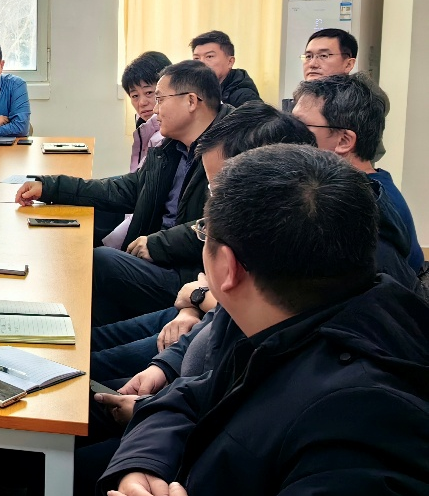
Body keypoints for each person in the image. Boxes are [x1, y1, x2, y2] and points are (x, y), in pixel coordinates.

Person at [0, 145, 429, 496]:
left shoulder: (367, 409)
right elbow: (190, 394)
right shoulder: (273, 312)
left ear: (226, 268)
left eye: (203, 236)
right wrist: (141, 466)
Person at [89, 103, 316, 385]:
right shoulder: (244, 227)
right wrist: (193, 305)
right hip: (199, 313)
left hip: (205, 323)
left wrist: (198, 298)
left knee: (90, 373)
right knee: (85, 348)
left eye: (218, 189)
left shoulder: (288, 245)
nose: (213, 203)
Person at [17, 61, 225, 325]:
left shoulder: (230, 149)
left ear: (191, 101)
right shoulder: (171, 148)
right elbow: (125, 189)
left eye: (159, 99)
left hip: (190, 275)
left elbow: (221, 225)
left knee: (98, 260)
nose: (154, 109)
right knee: (77, 250)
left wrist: (158, 244)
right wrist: (51, 187)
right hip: (159, 257)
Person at [292, 72, 423, 272]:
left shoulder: (358, 208)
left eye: (300, 126)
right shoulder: (369, 187)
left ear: (344, 140)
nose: (289, 133)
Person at [100, 51, 170, 250]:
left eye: (149, 93)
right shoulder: (145, 125)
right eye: (134, 96)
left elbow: (146, 201)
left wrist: (112, 246)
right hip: (136, 210)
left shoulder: (165, 134)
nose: (142, 103)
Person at [190, 29, 259, 106]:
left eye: (209, 56)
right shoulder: (192, 89)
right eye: (196, 58)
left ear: (230, 62)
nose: (201, 63)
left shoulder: (244, 97)